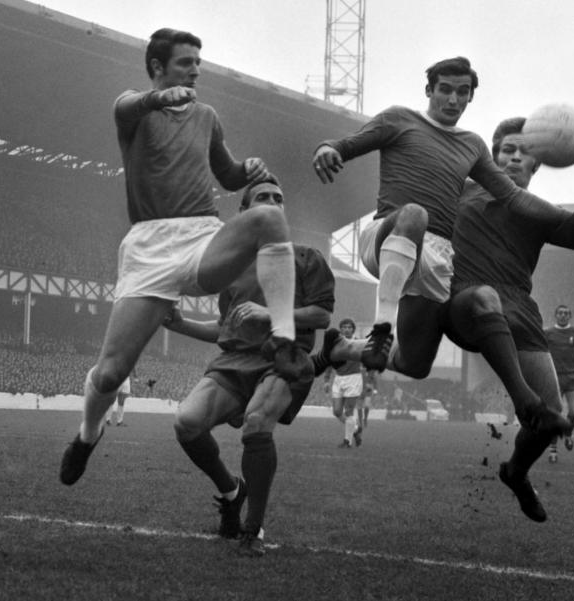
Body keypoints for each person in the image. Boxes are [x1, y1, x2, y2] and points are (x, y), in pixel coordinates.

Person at [60, 28, 314, 486]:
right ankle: (87, 433)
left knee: (270, 220)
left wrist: (248, 171)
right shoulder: (134, 110)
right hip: (149, 248)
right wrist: (158, 99)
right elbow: (125, 105)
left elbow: (228, 175)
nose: (195, 69)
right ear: (158, 68)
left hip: (200, 236)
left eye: (198, 61)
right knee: (110, 375)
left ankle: (283, 337)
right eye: (184, 62)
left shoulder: (207, 115)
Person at [311, 56, 574, 420]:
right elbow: (346, 144)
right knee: (415, 215)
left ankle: (342, 347)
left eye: (462, 92)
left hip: (436, 259)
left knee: (415, 363)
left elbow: (515, 197)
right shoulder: (399, 119)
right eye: (445, 90)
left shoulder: (472, 146)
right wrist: (327, 148)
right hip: (389, 234)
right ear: (429, 90)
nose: (453, 99)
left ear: (470, 98)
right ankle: (381, 330)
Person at [443, 116, 574, 521]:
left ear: (536, 165)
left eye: (524, 152)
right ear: (493, 158)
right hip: (465, 298)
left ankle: (515, 472)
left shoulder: (535, 210)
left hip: (519, 310)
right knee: (483, 300)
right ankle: (520, 400)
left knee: (553, 418)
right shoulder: (461, 192)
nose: (514, 156)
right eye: (507, 150)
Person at [166, 176, 343, 557]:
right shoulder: (232, 268)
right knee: (186, 422)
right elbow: (225, 327)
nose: (272, 201)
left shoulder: (307, 258)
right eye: (262, 197)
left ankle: (252, 529)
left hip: (282, 358)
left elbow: (322, 316)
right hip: (233, 361)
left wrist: (271, 312)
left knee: (257, 423)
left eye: (278, 198)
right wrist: (179, 324)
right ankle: (233, 490)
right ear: (244, 213)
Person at [544, 305, 574, 462]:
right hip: (554, 378)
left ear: (570, 316)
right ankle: (553, 450)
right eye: (560, 313)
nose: (563, 316)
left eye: (566, 313)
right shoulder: (547, 333)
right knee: (554, 415)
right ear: (555, 315)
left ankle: (568, 432)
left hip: (573, 377)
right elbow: (540, 351)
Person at [325, 318, 364, 448]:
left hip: (353, 379)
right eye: (344, 327)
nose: (347, 329)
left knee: (349, 411)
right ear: (340, 329)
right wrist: (326, 380)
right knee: (336, 411)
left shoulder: (359, 342)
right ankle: (356, 429)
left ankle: (347, 441)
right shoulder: (335, 344)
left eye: (349, 327)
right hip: (338, 379)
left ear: (353, 329)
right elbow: (330, 363)